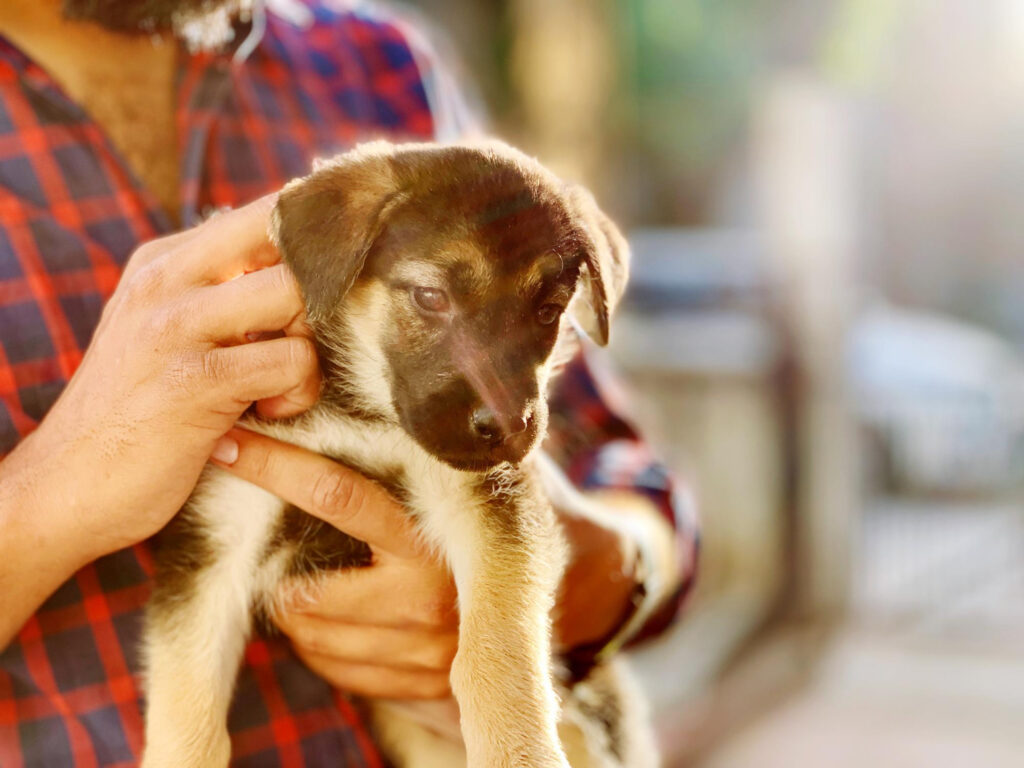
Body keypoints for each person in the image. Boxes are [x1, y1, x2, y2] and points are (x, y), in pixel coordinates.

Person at [0, 0, 699, 764]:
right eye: (431, 298)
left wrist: (602, 575)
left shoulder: (380, 63)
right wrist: (52, 489)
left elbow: (634, 483)